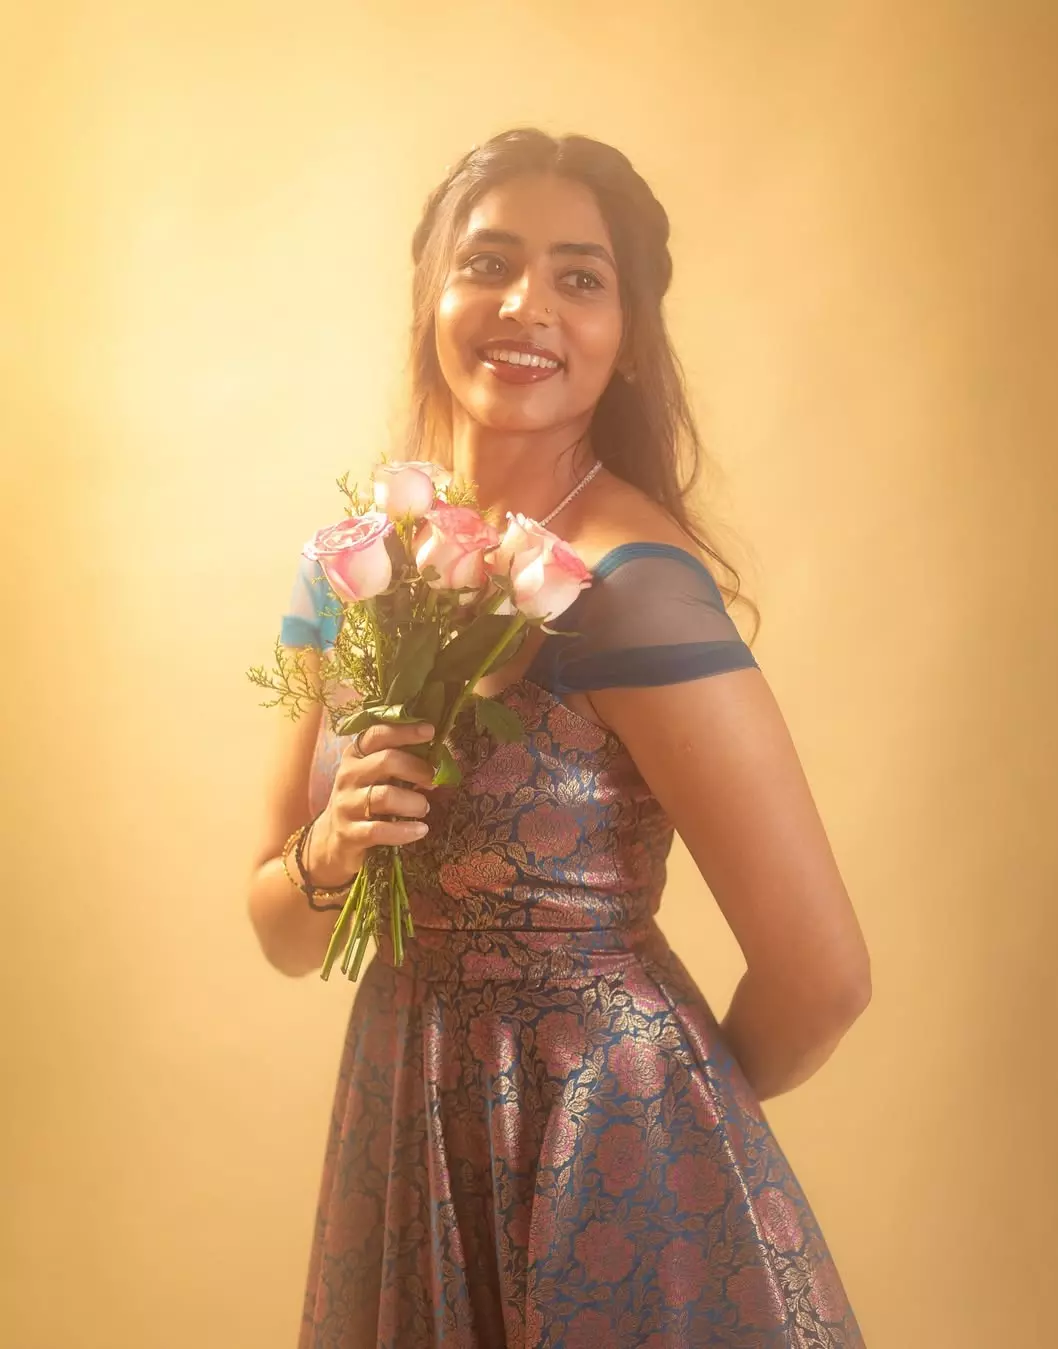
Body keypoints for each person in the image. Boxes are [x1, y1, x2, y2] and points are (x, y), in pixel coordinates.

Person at [247, 128, 871, 1349]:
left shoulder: (634, 587)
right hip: (404, 1109)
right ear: (432, 293)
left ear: (628, 336)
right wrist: (332, 847)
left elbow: (824, 976)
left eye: (580, 276)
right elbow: (278, 928)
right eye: (488, 262)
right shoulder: (352, 567)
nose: (526, 304)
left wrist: (667, 1118)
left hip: (605, 1136)